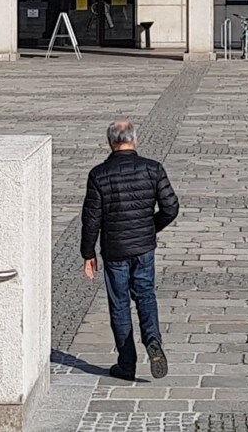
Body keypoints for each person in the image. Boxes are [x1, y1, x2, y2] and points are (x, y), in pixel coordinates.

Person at [80, 119, 179, 382]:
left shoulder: (98, 175)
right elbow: (171, 208)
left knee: (120, 305)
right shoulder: (153, 169)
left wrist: (87, 253)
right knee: (146, 296)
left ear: (110, 142)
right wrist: (150, 228)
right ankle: (153, 341)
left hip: (114, 250)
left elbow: (91, 219)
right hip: (144, 248)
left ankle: (127, 363)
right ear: (134, 140)